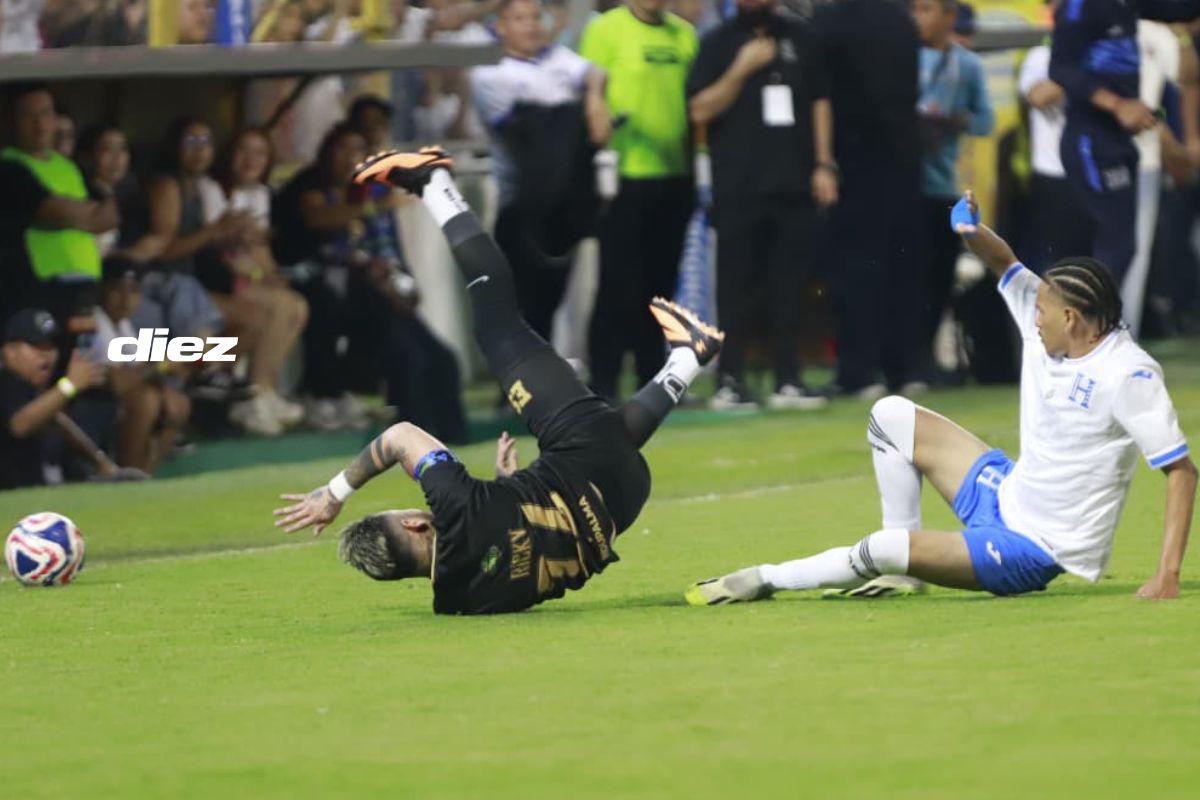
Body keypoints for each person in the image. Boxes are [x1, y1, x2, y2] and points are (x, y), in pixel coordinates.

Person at [686, 190, 1195, 605]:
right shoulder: (1054, 318)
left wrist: (1167, 574)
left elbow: (1180, 471)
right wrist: (971, 231)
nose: (1032, 317)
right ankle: (903, 573)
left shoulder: (1127, 374)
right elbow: (1004, 261)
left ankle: (766, 577)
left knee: (882, 548)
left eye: (1042, 312)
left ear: (1071, 319)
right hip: (1005, 492)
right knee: (890, 415)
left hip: (1029, 548)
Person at [273, 148, 724, 615]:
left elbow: (505, 543)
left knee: (608, 437)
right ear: (413, 525)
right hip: (584, 453)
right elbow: (400, 436)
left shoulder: (458, 601)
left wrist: (509, 489)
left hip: (622, 499)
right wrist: (334, 493)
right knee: (496, 325)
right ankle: (433, 182)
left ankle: (687, 358)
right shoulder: (455, 504)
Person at [273, 124, 467, 441]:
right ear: (326, 152)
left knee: (443, 360)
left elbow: (386, 253)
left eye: (358, 150)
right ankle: (412, 441)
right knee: (407, 358)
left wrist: (401, 282)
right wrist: (373, 210)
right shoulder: (311, 186)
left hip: (378, 298)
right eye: (343, 149)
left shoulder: (367, 191)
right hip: (328, 296)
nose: (350, 157)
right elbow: (319, 218)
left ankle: (455, 441)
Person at [687, 0, 835, 410]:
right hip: (739, 186)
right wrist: (742, 68)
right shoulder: (717, 43)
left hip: (795, 181)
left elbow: (820, 101)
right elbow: (699, 109)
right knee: (737, 287)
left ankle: (789, 379)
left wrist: (824, 163)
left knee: (790, 286)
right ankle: (730, 380)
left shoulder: (802, 37)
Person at [580, 0, 697, 400]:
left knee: (660, 289)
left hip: (676, 174)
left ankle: (655, 380)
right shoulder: (605, 30)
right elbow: (591, 90)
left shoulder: (684, 35)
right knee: (617, 285)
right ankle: (603, 384)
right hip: (624, 177)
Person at [471, 0, 609, 340]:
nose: (531, 26)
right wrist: (577, 111)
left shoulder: (558, 58)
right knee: (519, 307)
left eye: (536, 17)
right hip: (521, 207)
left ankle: (546, 371)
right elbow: (531, 126)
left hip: (565, 208)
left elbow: (595, 77)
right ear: (501, 26)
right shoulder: (489, 74)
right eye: (520, 19)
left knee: (549, 305)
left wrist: (591, 99)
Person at [812, 0, 925, 399]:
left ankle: (860, 371)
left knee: (856, 270)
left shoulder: (831, 21)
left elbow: (821, 94)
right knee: (902, 268)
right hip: (904, 161)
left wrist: (823, 161)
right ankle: (907, 368)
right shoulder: (900, 19)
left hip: (854, 160)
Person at [1050, 0, 1200, 287]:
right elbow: (1061, 68)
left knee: (1123, 248)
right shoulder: (1079, 6)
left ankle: (1091, 313)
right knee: (1114, 244)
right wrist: (1118, 105)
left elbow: (1180, 10)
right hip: (1090, 140)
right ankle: (1079, 314)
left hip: (1121, 141)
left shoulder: (1128, 4)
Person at [203, 127, 309, 436]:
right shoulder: (212, 188)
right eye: (244, 151)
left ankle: (267, 389)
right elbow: (222, 251)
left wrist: (270, 275)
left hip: (247, 276)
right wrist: (257, 274)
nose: (251, 159)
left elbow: (258, 247)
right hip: (215, 282)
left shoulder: (260, 194)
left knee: (297, 306)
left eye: (260, 153)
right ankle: (254, 395)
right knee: (277, 308)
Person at [912, 0, 993, 367]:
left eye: (927, 10)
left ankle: (927, 358)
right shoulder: (902, 56)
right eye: (915, 10)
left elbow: (985, 121)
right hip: (903, 184)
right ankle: (907, 357)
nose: (919, 18)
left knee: (939, 279)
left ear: (949, 16)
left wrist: (956, 121)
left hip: (943, 183)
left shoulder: (967, 64)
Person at [0, 84, 116, 325]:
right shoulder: (9, 167)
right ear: (12, 122)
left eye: (45, 114)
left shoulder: (68, 166)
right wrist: (88, 215)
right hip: (39, 290)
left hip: (83, 284)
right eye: (28, 116)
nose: (40, 124)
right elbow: (88, 217)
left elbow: (106, 217)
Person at [0, 308, 127, 491]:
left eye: (50, 346)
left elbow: (58, 421)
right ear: (9, 352)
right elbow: (20, 424)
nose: (46, 354)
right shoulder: (6, 382)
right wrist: (69, 385)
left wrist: (100, 461)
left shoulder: (28, 388)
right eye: (36, 346)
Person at [84, 258, 191, 474]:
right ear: (102, 290)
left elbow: (140, 370)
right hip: (88, 408)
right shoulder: (92, 324)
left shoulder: (123, 325)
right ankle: (128, 473)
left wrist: (165, 390)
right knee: (147, 400)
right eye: (117, 290)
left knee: (177, 404)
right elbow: (117, 383)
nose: (126, 299)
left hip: (113, 405)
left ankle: (145, 475)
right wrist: (161, 365)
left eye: (133, 291)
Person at [1017, 10, 1094, 273]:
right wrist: (1083, 65)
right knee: (1056, 268)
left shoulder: (1107, 57)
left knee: (1092, 268)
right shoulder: (1041, 56)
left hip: (1096, 176)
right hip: (1054, 176)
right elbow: (1038, 96)